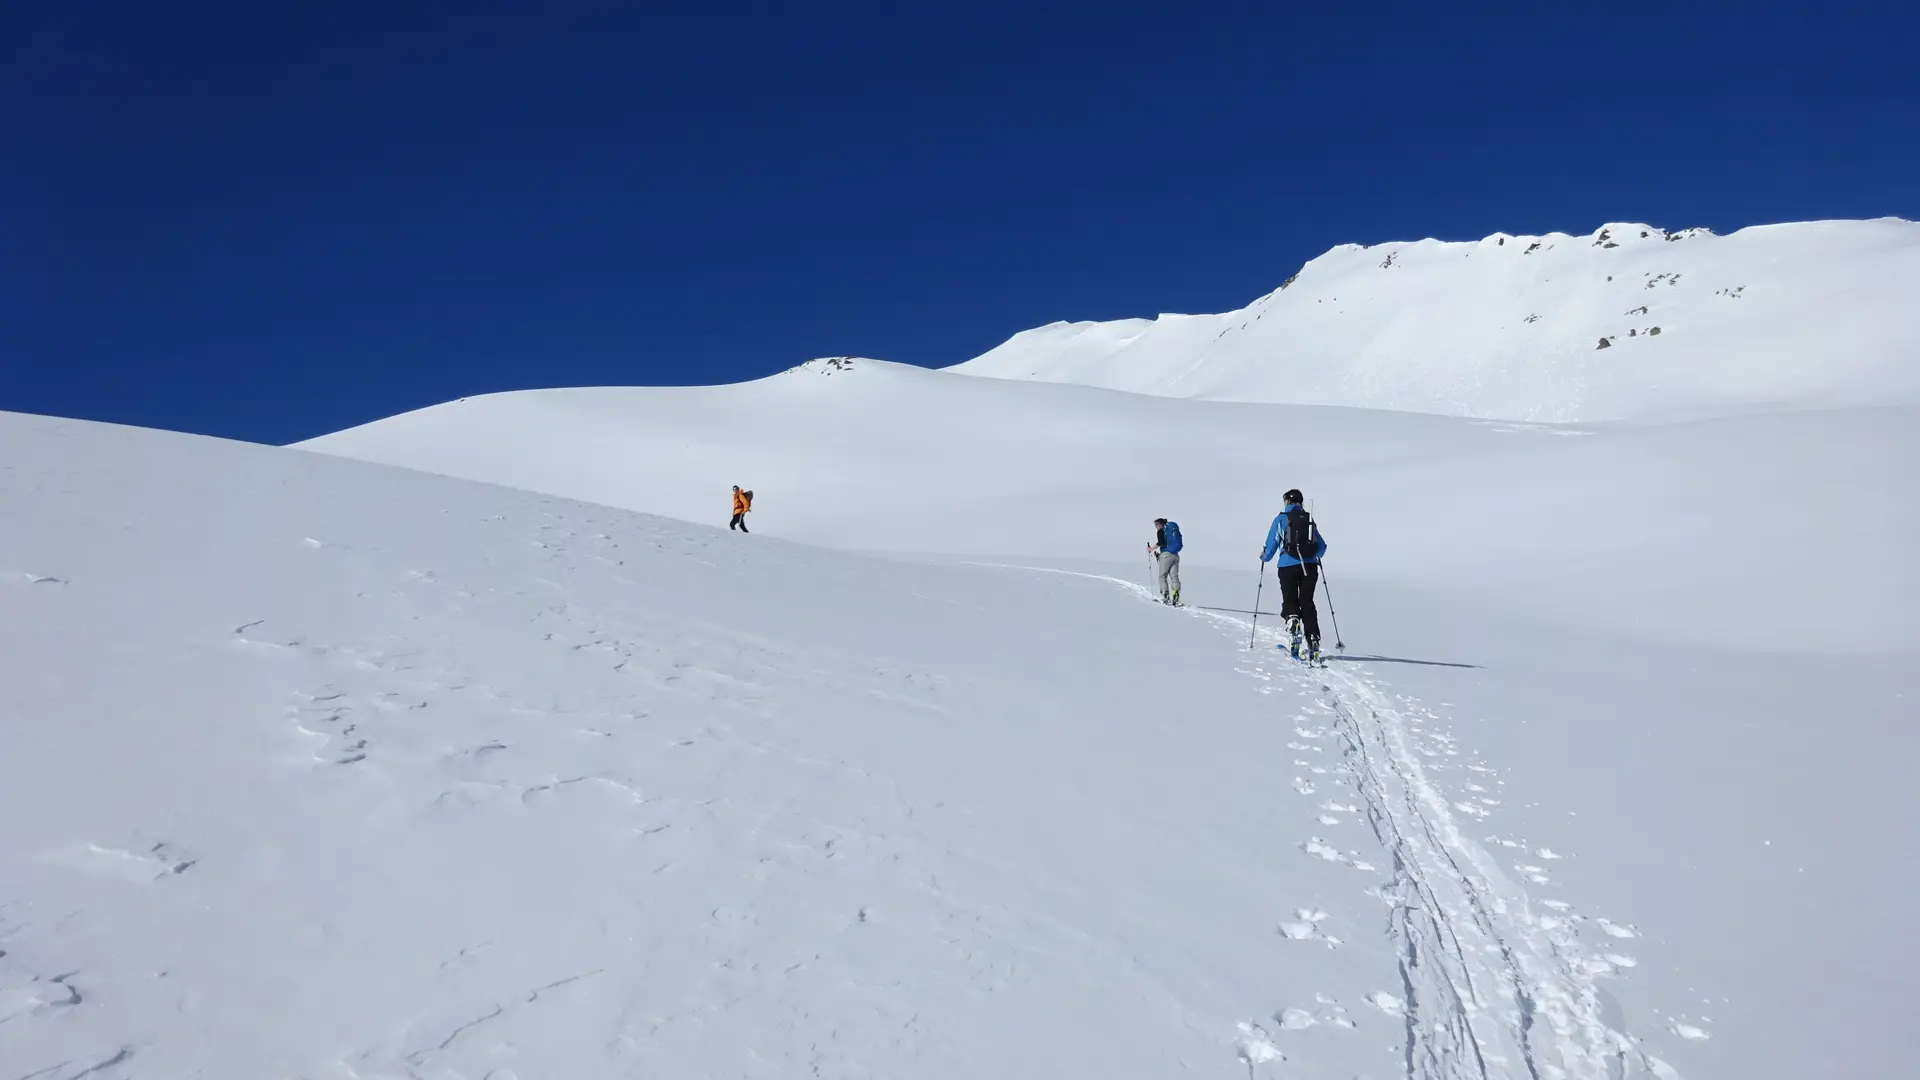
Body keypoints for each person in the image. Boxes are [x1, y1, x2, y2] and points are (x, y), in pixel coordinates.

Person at [1259, 489, 1327, 659]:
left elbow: (1272, 544)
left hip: (1287, 566)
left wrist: (1264, 556)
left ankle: (1293, 622)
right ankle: (1313, 638)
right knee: (1307, 601)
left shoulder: (1281, 519)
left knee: (1290, 599)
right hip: (1310, 567)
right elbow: (1321, 547)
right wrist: (1311, 555)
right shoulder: (1308, 520)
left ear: (1287, 502)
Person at [1152, 517, 1183, 605]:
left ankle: (1166, 598)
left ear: (1161, 524)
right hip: (1175, 555)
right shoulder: (1170, 530)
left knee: (1162, 576)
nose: (1156, 526)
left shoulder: (1161, 531)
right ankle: (1176, 598)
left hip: (1166, 555)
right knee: (1174, 577)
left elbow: (1161, 542)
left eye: (1157, 524)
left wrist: (1151, 549)